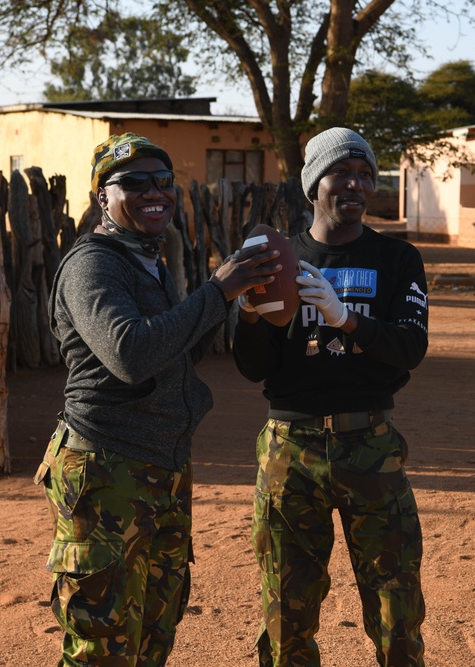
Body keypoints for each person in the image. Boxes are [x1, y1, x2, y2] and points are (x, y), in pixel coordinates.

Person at [34, 132, 280, 666]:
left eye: (165, 182)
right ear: (103, 195)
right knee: (101, 644)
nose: (156, 193)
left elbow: (173, 348)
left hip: (161, 467)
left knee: (151, 632)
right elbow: (131, 354)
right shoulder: (91, 266)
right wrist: (217, 293)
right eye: (136, 183)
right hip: (106, 470)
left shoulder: (151, 261)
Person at [232, 127, 429, 666]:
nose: (356, 185)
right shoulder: (279, 258)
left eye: (366, 174)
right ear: (313, 183)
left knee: (397, 605)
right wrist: (250, 311)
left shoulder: (397, 260)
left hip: (371, 443)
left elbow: (410, 346)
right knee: (286, 608)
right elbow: (254, 367)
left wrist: (348, 319)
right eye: (342, 172)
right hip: (289, 450)